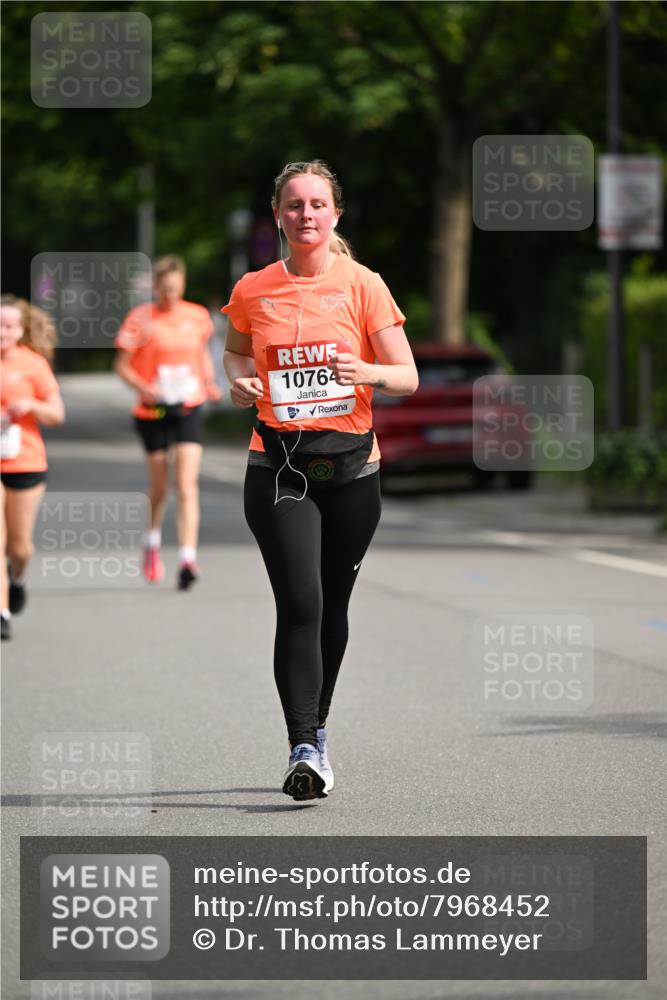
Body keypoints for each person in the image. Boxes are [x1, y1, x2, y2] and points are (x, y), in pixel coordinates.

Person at [222, 160, 418, 801]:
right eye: (294, 205)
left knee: (333, 607)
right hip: (278, 466)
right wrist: (238, 381)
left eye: (317, 205)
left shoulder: (363, 285)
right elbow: (235, 351)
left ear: (335, 215)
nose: (305, 215)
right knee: (300, 604)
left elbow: (406, 376)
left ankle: (319, 731)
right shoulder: (253, 288)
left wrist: (363, 370)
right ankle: (302, 745)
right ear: (277, 215)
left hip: (353, 469)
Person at [114, 255, 222, 590]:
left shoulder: (197, 316)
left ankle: (188, 557)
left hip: (188, 405)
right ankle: (151, 543)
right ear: (156, 287)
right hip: (153, 411)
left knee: (187, 484)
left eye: (176, 289)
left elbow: (201, 353)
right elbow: (121, 365)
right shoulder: (140, 318)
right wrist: (143, 387)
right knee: (160, 485)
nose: (171, 295)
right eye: (165, 289)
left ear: (183, 285)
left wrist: (209, 381)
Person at [1, 295, 65, 641]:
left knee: (20, 547)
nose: (2, 332)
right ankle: (2, 611)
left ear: (21, 329)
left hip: (25, 459)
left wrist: (31, 405)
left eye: (9, 326)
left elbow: (57, 414)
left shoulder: (33, 364)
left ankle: (18, 577)